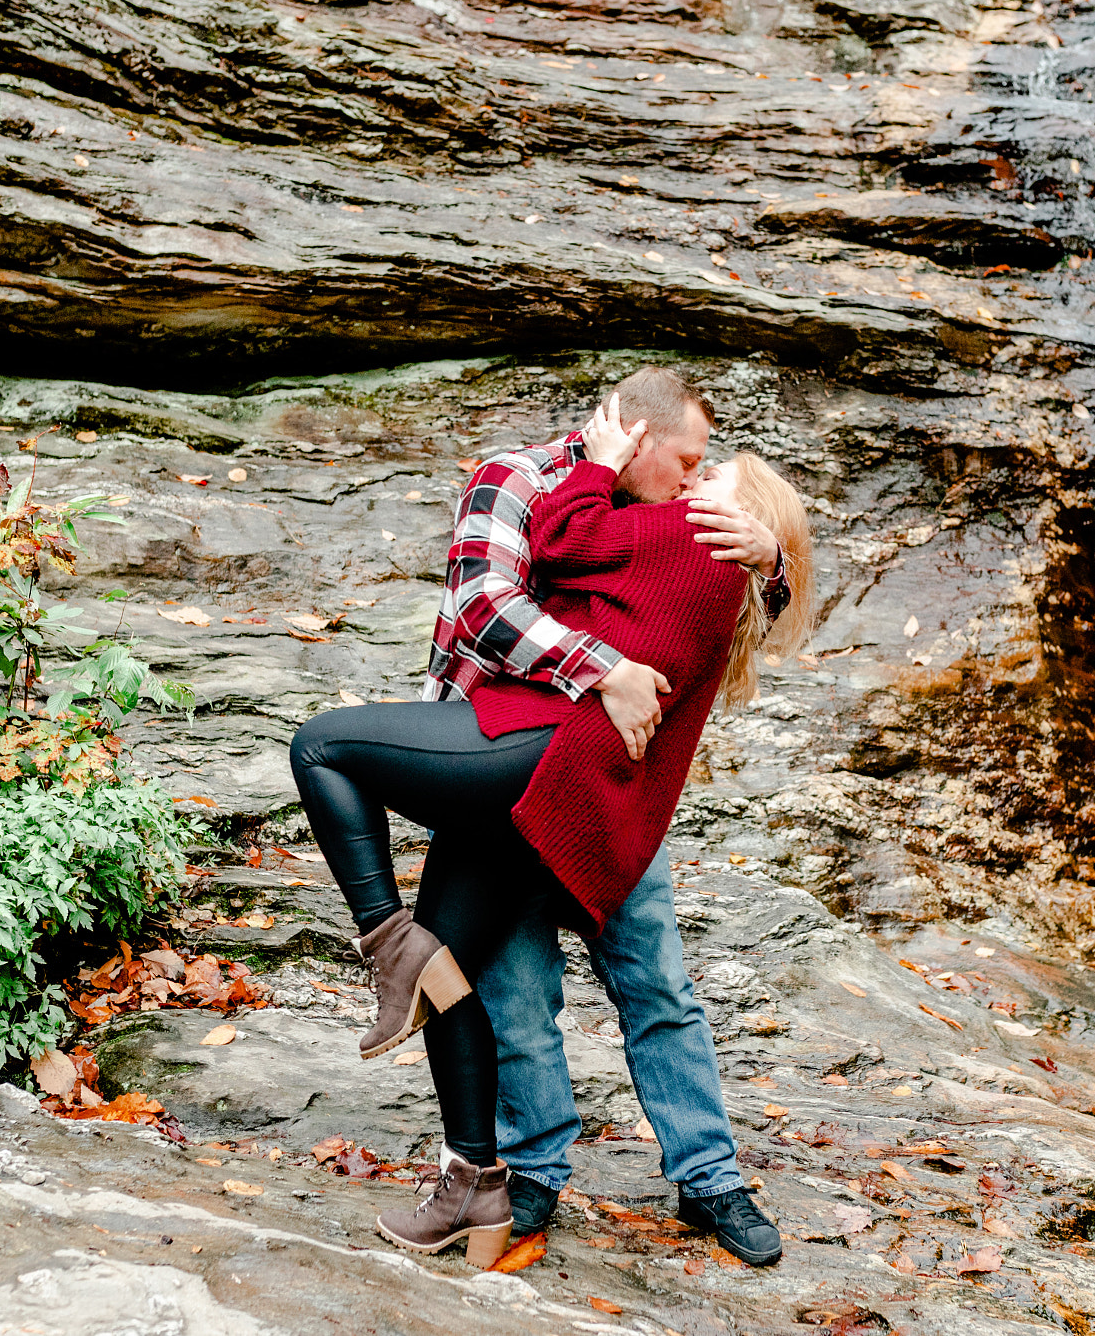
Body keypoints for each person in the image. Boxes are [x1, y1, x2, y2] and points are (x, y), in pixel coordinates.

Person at [287, 405, 813, 1267]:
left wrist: (776, 558)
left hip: (605, 786)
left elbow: (734, 595)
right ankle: (520, 1173)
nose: (692, 481)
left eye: (707, 472)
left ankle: (710, 1175)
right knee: (511, 992)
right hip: (508, 761)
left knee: (658, 989)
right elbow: (487, 606)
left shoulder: (687, 529)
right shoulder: (527, 481)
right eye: (688, 462)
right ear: (638, 438)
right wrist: (603, 663)